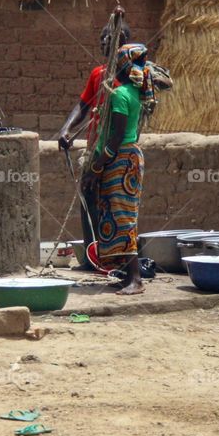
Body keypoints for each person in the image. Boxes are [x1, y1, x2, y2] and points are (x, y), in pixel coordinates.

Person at [82, 44, 172, 295]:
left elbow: (116, 136)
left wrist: (97, 166)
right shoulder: (135, 92)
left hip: (120, 159)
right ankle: (127, 275)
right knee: (120, 216)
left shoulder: (120, 96)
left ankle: (135, 279)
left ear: (122, 65)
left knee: (123, 219)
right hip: (127, 157)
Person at [58, 23, 131, 264]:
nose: (102, 43)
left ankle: (115, 262)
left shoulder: (130, 79)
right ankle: (94, 258)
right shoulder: (98, 74)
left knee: (117, 207)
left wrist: (101, 162)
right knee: (89, 198)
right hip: (96, 149)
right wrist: (66, 130)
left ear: (120, 42)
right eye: (101, 38)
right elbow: (83, 105)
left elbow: (120, 131)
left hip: (117, 152)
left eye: (107, 38)